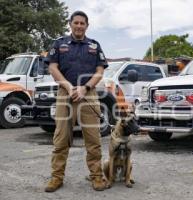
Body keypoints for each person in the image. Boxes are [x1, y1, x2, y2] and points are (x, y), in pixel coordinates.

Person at [45, 11, 108, 192]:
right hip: (65, 95)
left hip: (88, 94)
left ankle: (96, 176)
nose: (79, 26)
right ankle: (56, 177)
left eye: (83, 23)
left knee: (93, 138)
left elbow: (99, 72)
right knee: (61, 138)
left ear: (87, 26)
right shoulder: (59, 44)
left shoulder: (94, 46)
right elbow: (52, 67)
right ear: (70, 24)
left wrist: (84, 88)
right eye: (76, 23)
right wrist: (68, 86)